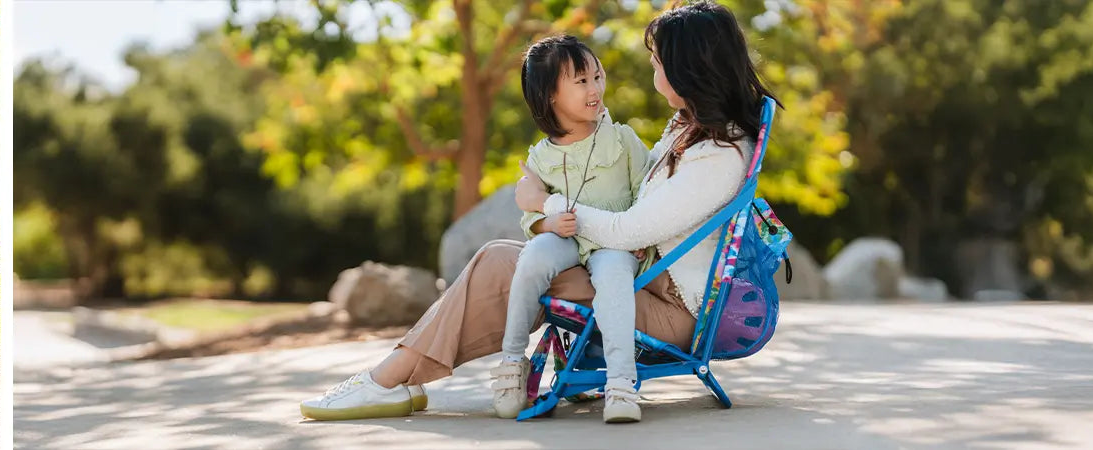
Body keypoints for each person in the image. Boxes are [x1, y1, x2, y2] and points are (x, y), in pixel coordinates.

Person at [298, 1, 776, 423]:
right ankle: (398, 376)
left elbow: (630, 229)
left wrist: (547, 204)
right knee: (504, 260)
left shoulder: (717, 153)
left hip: (669, 308)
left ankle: (390, 379)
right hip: (646, 281)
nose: (651, 72)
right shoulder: (690, 130)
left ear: (686, 69)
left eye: (657, 62)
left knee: (500, 265)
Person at [490, 34, 652, 422]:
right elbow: (530, 218)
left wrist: (644, 239)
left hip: (615, 242)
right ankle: (513, 361)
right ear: (550, 96)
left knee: (613, 276)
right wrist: (548, 221)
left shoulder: (622, 140)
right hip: (567, 239)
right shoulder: (540, 157)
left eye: (598, 76)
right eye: (581, 81)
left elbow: (648, 193)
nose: (595, 88)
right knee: (531, 259)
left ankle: (620, 383)